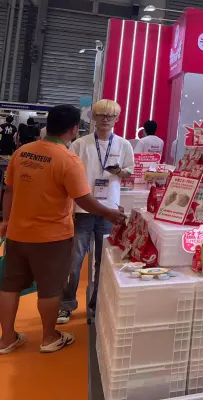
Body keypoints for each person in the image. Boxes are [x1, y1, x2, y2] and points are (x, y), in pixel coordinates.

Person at [0, 104, 125, 355]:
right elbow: (83, 199)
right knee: (50, 288)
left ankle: (7, 339)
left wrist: (5, 221)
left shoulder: (22, 152)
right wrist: (109, 213)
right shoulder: (68, 158)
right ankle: (49, 337)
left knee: (10, 285)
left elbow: (9, 189)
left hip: (16, 233)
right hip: (51, 236)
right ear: (74, 129)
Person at [58, 99, 134, 324]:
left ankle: (96, 304)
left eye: (110, 116)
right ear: (93, 118)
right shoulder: (80, 144)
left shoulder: (123, 145)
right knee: (74, 259)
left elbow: (130, 172)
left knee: (104, 260)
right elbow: (67, 172)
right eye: (101, 115)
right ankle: (66, 304)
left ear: (117, 119)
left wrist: (120, 171)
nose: (106, 119)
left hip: (109, 209)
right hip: (82, 208)